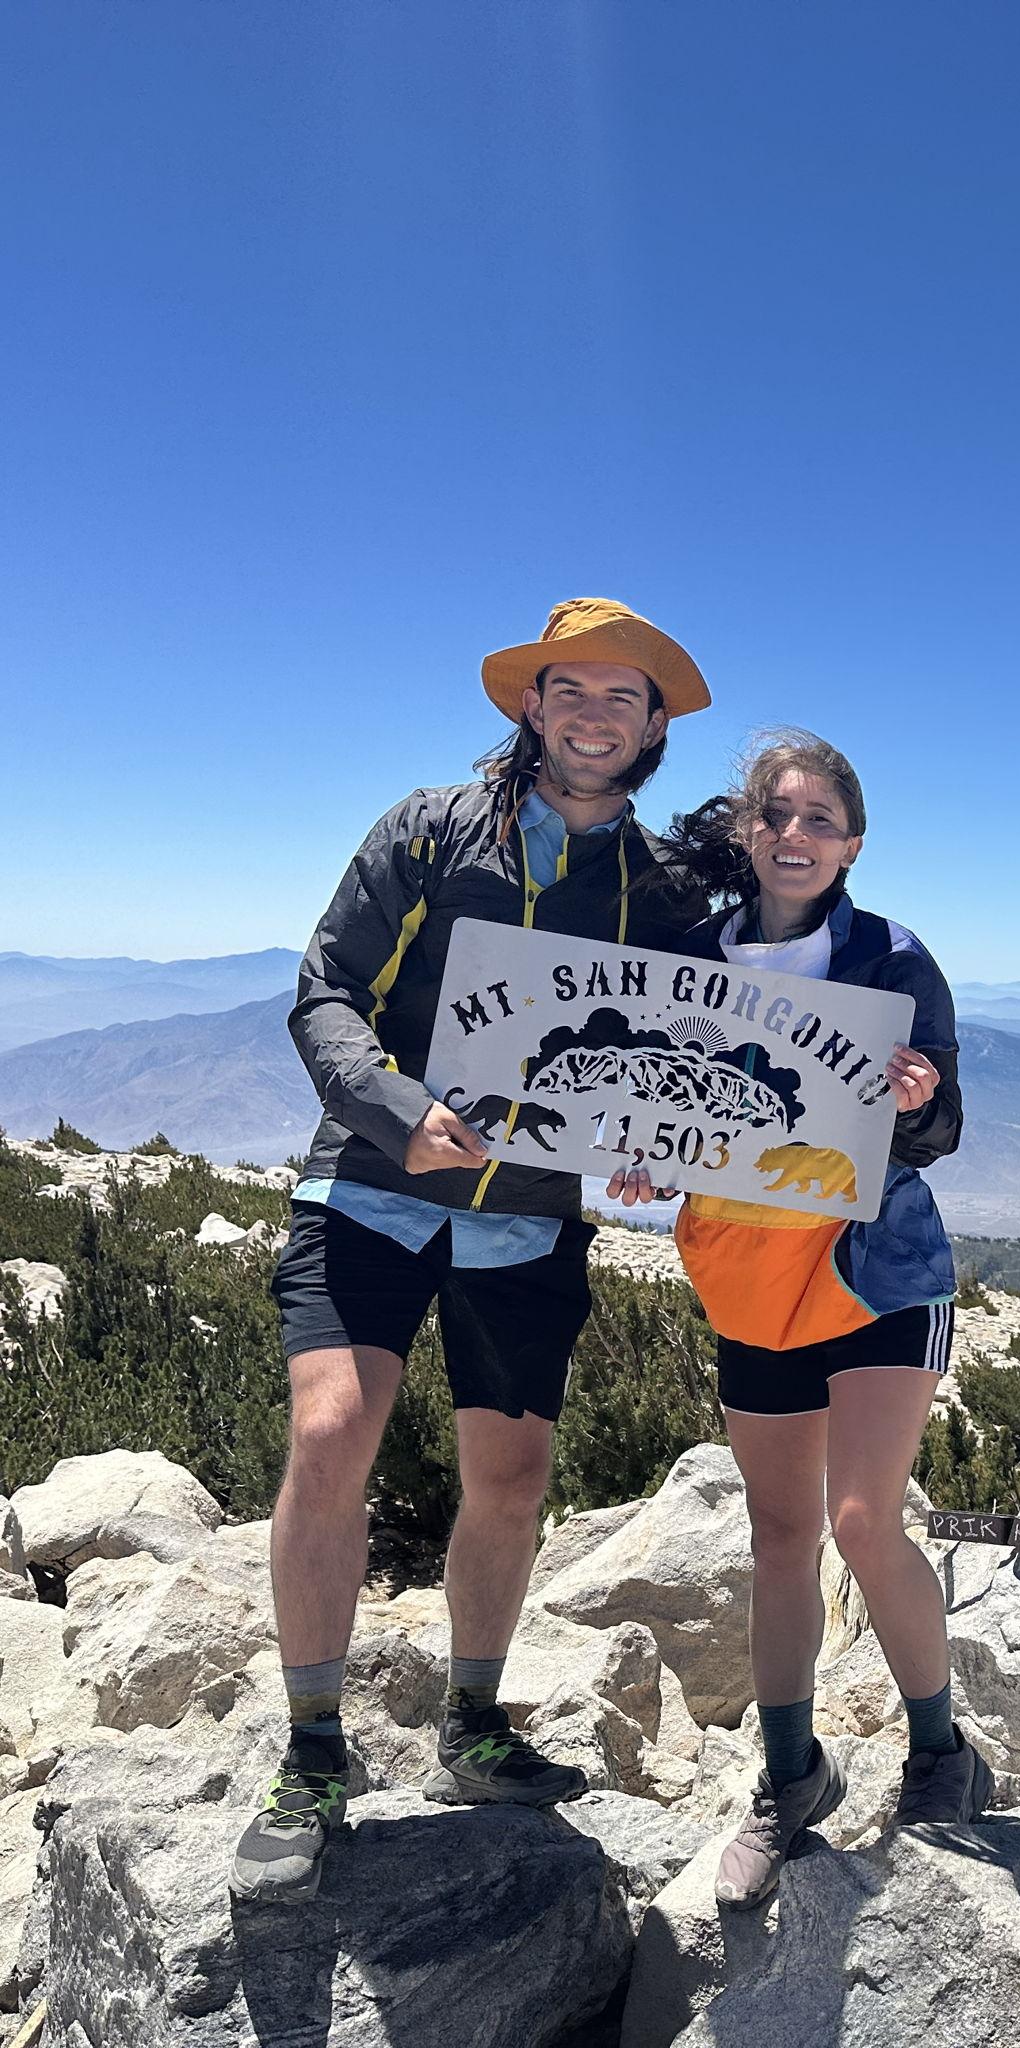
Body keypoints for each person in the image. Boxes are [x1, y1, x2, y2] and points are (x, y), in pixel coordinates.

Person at [230, 598, 717, 1904]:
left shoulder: (660, 888)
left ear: (655, 724)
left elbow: (702, 1050)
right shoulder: (430, 829)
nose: (597, 715)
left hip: (532, 1213)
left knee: (510, 1477)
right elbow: (323, 988)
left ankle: (475, 1725)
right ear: (531, 701)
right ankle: (314, 1751)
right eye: (576, 690)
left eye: (627, 697)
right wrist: (398, 1110)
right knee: (332, 1430)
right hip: (376, 1184)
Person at [611, 729, 986, 1910]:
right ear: (743, 830)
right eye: (773, 812)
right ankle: (788, 1775)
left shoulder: (890, 956)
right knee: (780, 1540)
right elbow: (665, 1109)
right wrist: (636, 1160)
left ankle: (939, 1748)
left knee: (863, 1520)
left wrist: (914, 1100)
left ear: (852, 843)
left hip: (876, 1273)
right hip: (749, 1277)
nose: (792, 833)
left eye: (818, 817)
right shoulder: (687, 957)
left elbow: (939, 1131)